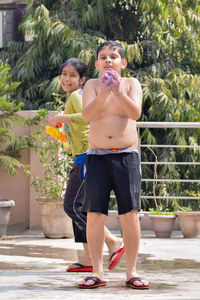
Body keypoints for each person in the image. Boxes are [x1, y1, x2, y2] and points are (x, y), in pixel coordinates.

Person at [79, 41, 149, 289]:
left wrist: (117, 91)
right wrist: (106, 92)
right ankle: (97, 272)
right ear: (97, 64)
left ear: (123, 63)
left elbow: (135, 113)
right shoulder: (91, 85)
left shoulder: (131, 84)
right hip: (97, 157)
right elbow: (87, 116)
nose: (108, 60)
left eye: (113, 56)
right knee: (95, 215)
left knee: (130, 215)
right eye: (103, 57)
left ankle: (132, 271)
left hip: (126, 156)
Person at [48, 58, 125, 273]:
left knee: (72, 206)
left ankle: (112, 241)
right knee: (81, 207)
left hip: (86, 157)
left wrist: (61, 117)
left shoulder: (76, 95)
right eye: (64, 74)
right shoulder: (77, 96)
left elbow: (87, 117)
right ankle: (89, 257)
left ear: (82, 80)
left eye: (73, 76)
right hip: (82, 155)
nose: (67, 79)